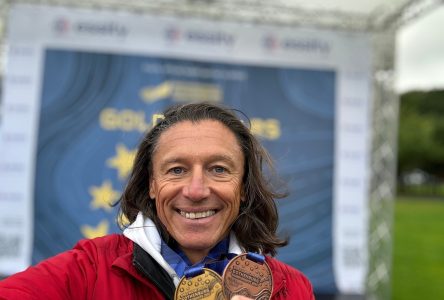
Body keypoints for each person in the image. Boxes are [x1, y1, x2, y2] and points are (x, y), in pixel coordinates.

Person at [0, 103, 314, 299]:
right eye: (176, 170)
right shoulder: (91, 270)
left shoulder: (289, 289)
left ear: (243, 187)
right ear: (152, 184)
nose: (195, 190)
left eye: (218, 169)